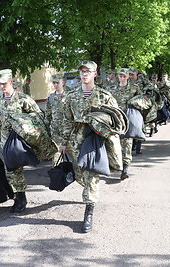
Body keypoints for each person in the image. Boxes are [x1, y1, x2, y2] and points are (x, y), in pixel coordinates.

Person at [60, 60, 119, 233]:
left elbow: (115, 119)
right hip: (76, 140)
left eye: (88, 71)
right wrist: (63, 142)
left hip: (94, 139)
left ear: (95, 74)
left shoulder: (104, 96)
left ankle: (89, 212)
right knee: (80, 174)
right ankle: (88, 193)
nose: (84, 74)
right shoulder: (71, 96)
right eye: (82, 71)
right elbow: (66, 120)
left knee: (91, 174)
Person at [0, 69, 43, 213]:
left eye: (4, 83)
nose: (1, 87)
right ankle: (20, 196)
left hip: (21, 139)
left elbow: (38, 115)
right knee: (11, 170)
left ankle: (20, 198)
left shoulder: (22, 99)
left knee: (15, 168)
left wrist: (24, 124)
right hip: (6, 141)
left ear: (11, 82)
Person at [106, 68, 140, 179]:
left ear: (128, 77)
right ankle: (115, 164)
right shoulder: (111, 89)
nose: (122, 78)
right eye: (120, 76)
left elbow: (142, 99)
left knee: (127, 144)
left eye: (124, 76)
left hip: (128, 119)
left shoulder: (134, 88)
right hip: (115, 120)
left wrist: (134, 103)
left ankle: (125, 170)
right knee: (115, 143)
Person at [45, 74, 67, 165]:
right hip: (56, 132)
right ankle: (58, 178)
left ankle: (78, 177)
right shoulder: (50, 98)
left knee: (75, 157)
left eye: (57, 83)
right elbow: (48, 115)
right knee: (56, 159)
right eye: (53, 83)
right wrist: (46, 129)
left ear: (63, 82)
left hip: (69, 132)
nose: (55, 85)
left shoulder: (70, 96)